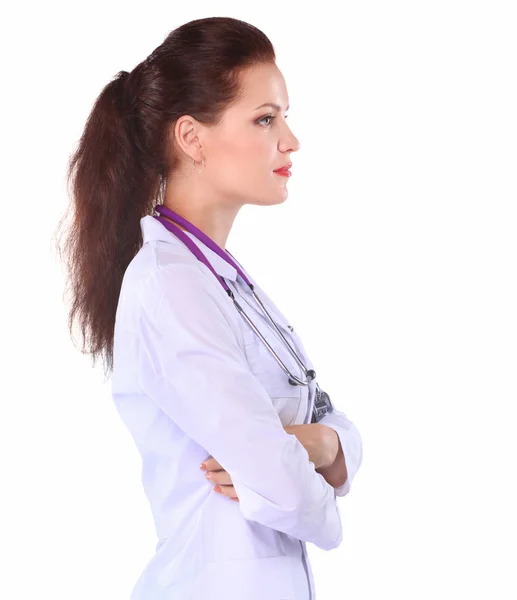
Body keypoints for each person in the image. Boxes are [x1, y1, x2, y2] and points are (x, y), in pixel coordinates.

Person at [56, 16, 363, 600]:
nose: (290, 140)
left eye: (284, 117)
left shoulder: (221, 279)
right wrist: (321, 496)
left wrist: (324, 445)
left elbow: (326, 424)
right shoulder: (169, 286)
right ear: (192, 138)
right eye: (265, 119)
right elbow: (291, 489)